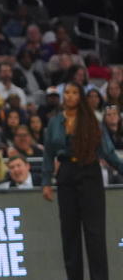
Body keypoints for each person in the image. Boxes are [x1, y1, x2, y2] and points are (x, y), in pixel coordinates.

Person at [42, 81, 123, 280]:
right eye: (66, 92)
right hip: (66, 174)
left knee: (94, 233)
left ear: (81, 97)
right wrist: (45, 182)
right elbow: (48, 154)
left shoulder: (92, 121)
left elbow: (109, 153)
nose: (69, 96)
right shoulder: (54, 122)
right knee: (69, 234)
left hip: (89, 172)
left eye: (74, 92)